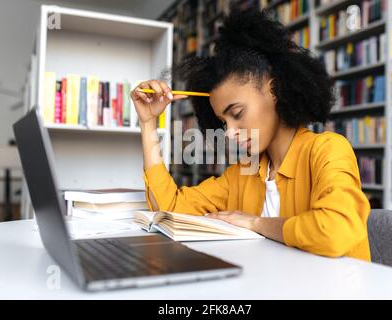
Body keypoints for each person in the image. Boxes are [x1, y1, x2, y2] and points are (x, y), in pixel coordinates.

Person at [131, 9, 371, 261]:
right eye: (224, 121)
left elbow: (334, 231)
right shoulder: (243, 172)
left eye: (237, 112)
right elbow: (169, 209)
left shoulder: (328, 150)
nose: (231, 132)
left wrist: (257, 223)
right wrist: (148, 123)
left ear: (275, 89)